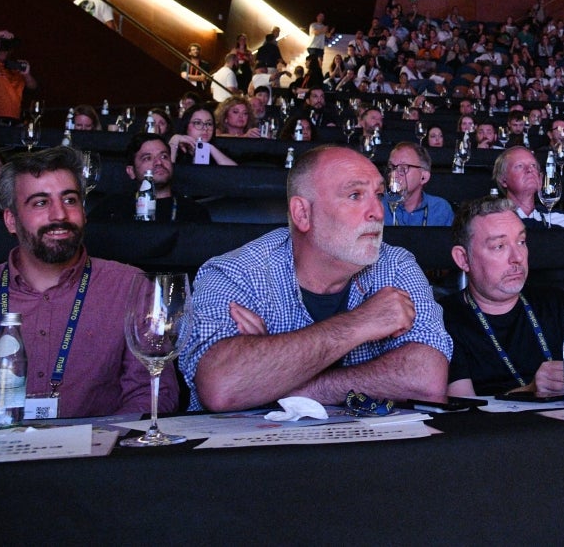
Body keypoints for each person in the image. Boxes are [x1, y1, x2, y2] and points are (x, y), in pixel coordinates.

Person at [0, 147, 176, 423]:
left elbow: (152, 396)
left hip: (90, 459)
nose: (59, 215)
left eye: (69, 200)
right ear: (10, 220)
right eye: (40, 203)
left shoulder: (131, 287)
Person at [179, 145, 451, 410]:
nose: (378, 212)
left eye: (378, 195)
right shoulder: (237, 273)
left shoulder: (395, 266)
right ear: (303, 213)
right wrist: (362, 322)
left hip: (367, 453)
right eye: (355, 195)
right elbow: (222, 387)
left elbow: (427, 380)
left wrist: (272, 382)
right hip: (248, 454)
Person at [441, 197, 564, 397]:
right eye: (499, 246)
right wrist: (530, 390)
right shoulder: (443, 319)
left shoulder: (558, 304)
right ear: (463, 259)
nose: (517, 257)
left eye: (521, 242)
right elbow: (463, 411)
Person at [88, 134, 211, 223]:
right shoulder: (112, 207)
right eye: (147, 158)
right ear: (131, 172)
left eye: (164, 156)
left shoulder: (194, 212)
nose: (158, 162)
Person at [493, 146, 564, 228]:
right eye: (519, 166)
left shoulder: (562, 221)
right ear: (503, 180)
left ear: (540, 178)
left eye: (533, 165)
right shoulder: (494, 222)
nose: (529, 170)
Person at [382, 142, 455, 227]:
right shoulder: (378, 206)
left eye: (403, 168)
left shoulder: (440, 209)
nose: (393, 173)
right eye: (391, 167)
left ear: (424, 177)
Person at [0, 36, 38, 122]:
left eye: (7, 44)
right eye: (0, 43)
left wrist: (27, 74)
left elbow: (33, 86)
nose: (4, 47)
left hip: (14, 121)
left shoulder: (16, 68)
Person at [169, 104, 237, 166]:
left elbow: (237, 174)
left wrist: (209, 148)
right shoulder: (177, 152)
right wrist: (174, 141)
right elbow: (168, 175)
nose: (205, 128)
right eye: (198, 123)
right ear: (186, 126)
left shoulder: (221, 152)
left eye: (209, 124)